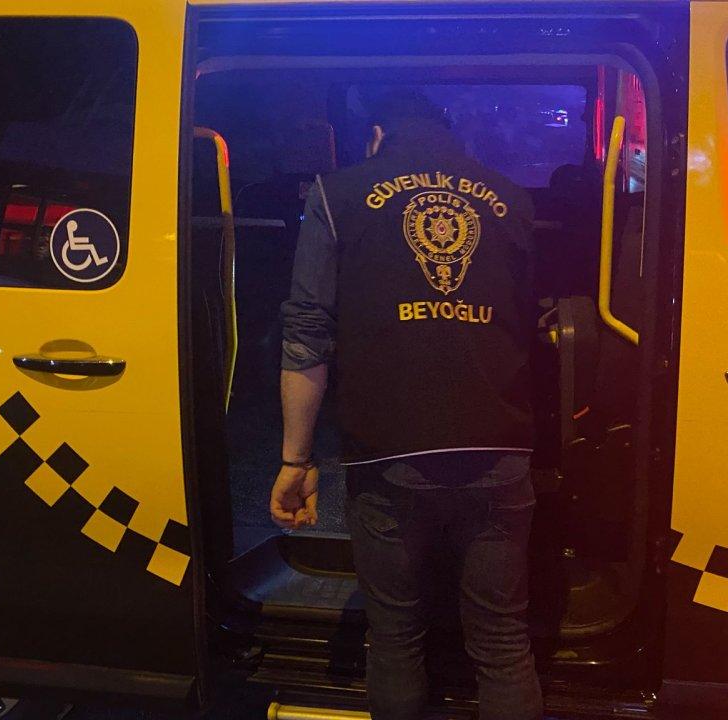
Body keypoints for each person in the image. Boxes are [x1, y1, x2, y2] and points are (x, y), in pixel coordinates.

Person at [270, 89, 543, 720]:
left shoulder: (337, 194)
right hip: (498, 444)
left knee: (395, 637)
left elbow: (307, 333)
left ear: (376, 136)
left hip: (388, 453)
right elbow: (526, 318)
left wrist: (295, 460)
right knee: (503, 642)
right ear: (451, 134)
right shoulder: (513, 199)